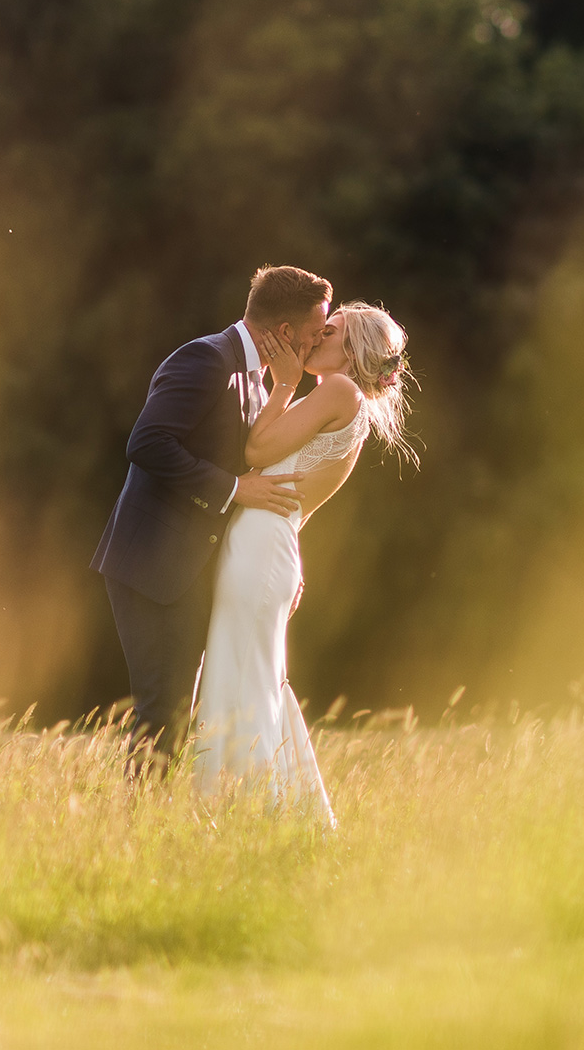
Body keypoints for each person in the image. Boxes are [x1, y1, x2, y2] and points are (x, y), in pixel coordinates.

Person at [91, 265, 333, 765]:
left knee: (180, 708)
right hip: (151, 565)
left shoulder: (260, 378)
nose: (316, 345)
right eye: (313, 335)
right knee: (162, 706)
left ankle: (153, 822)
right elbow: (148, 442)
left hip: (193, 569)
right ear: (285, 333)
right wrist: (233, 488)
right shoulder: (205, 359)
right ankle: (139, 827)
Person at [191, 300, 415, 822]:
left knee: (241, 671)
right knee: (253, 672)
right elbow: (302, 498)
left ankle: (247, 812)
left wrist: (285, 383)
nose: (314, 337)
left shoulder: (337, 391)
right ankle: (265, 812)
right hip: (270, 546)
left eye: (328, 331)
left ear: (352, 347)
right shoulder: (341, 402)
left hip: (260, 549)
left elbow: (257, 451)